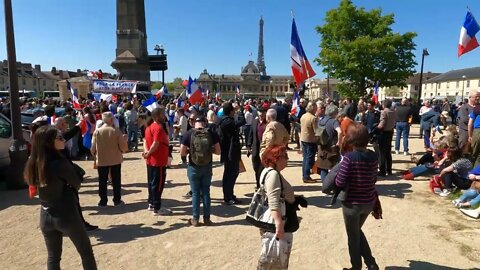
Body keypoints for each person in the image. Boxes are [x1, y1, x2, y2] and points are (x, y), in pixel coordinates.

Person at [24, 125, 97, 270]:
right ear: (49, 142)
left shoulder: (33, 162)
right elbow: (76, 183)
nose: (63, 139)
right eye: (59, 137)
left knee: (53, 257)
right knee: (86, 252)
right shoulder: (60, 163)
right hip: (66, 213)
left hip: (45, 214)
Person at [335, 123, 379, 270]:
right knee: (356, 232)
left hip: (352, 204)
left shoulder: (349, 158)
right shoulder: (373, 156)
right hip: (368, 202)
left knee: (353, 238)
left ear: (351, 140)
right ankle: (371, 264)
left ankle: (357, 267)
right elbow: (374, 179)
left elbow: (340, 181)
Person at [257, 145, 295, 269]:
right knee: (274, 259)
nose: (287, 159)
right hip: (275, 223)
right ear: (276, 159)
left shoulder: (269, 171)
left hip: (273, 220)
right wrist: (279, 225)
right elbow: (273, 201)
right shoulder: (273, 174)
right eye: (285, 156)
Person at [180, 116, 221, 226]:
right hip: (207, 166)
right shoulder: (211, 133)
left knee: (195, 193)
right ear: (205, 123)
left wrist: (191, 151)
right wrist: (208, 150)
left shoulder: (189, 134)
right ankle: (207, 218)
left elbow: (182, 152)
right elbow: (218, 151)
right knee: (206, 192)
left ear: (194, 123)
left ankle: (195, 219)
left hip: (193, 166)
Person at [91, 112, 129, 207]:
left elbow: (92, 148)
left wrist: (95, 155)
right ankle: (117, 200)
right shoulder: (116, 131)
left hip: (102, 160)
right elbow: (123, 147)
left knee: (102, 181)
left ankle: (103, 201)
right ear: (111, 120)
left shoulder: (97, 132)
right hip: (115, 159)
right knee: (116, 180)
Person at [143, 107, 171, 216]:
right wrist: (149, 153)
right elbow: (156, 144)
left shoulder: (148, 127)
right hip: (157, 161)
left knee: (151, 183)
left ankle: (151, 203)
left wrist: (147, 153)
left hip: (152, 160)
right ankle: (157, 207)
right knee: (158, 185)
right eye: (163, 114)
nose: (164, 116)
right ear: (158, 115)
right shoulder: (158, 128)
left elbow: (146, 142)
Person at [218, 102, 245, 205]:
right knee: (231, 174)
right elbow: (242, 121)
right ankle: (227, 196)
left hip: (229, 151)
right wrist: (240, 110)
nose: (235, 112)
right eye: (233, 111)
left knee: (230, 174)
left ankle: (229, 194)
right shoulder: (227, 122)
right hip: (230, 152)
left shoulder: (223, 120)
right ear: (230, 111)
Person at [247, 106, 268, 189]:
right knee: (256, 168)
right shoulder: (255, 121)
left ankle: (264, 185)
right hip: (256, 149)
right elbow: (251, 134)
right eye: (260, 113)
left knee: (264, 168)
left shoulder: (268, 123)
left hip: (265, 149)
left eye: (263, 113)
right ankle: (258, 185)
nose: (261, 115)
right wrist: (248, 145)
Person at [377, 99, 397, 176]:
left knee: (382, 152)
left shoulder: (384, 112)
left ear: (384, 105)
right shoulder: (393, 112)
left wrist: (376, 128)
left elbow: (382, 124)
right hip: (390, 131)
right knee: (388, 151)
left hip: (384, 132)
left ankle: (382, 171)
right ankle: (389, 169)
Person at [300, 101, 318, 183]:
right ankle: (306, 176)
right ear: (313, 108)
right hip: (311, 140)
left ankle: (304, 174)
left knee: (305, 158)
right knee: (309, 159)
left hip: (304, 139)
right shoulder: (313, 118)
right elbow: (316, 131)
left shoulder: (303, 116)